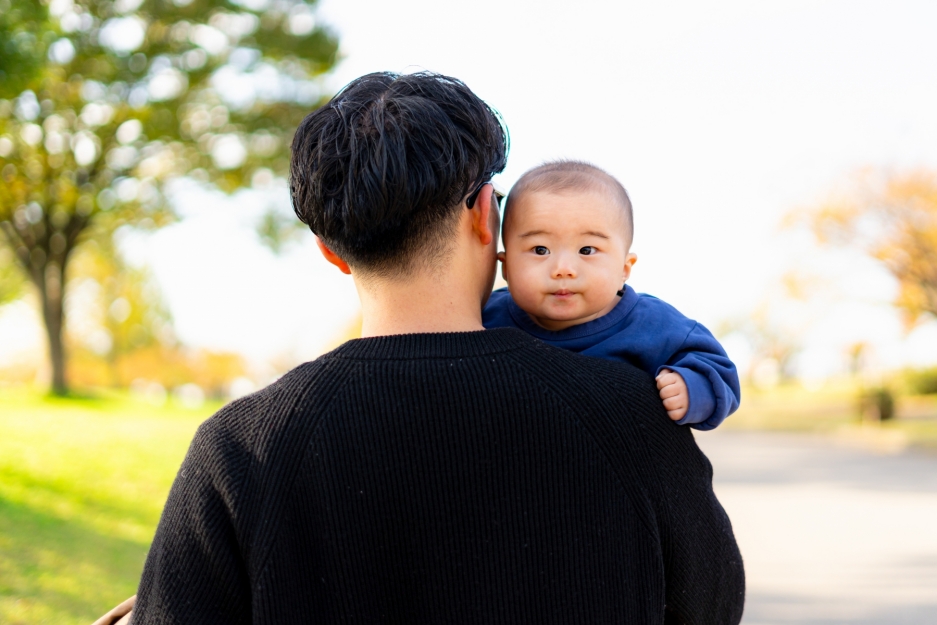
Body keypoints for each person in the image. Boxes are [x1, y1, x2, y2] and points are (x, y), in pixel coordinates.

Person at [115, 71, 744, 624]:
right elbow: (712, 607)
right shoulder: (635, 414)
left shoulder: (238, 448)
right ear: (484, 216)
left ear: (331, 251)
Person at [484, 161, 740, 431]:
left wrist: (692, 388)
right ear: (506, 266)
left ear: (624, 268)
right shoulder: (486, 316)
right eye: (540, 250)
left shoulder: (654, 325)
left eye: (586, 250)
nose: (563, 269)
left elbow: (720, 371)